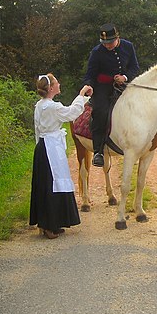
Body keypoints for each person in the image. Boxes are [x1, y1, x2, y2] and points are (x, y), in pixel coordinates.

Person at [29, 73, 92, 239]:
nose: (59, 84)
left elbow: (38, 129)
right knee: (52, 186)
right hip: (50, 149)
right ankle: (49, 226)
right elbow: (71, 113)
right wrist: (81, 95)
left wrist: (83, 99)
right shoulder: (52, 107)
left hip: (43, 147)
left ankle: (49, 224)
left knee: (46, 186)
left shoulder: (40, 105)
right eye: (56, 82)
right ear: (51, 88)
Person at [82, 23, 139, 167]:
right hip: (102, 87)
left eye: (110, 42)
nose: (107, 45)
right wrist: (89, 85)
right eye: (104, 43)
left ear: (117, 37)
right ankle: (98, 151)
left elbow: (135, 67)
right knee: (101, 111)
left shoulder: (128, 46)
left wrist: (125, 77)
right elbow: (90, 74)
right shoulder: (96, 52)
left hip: (124, 86)